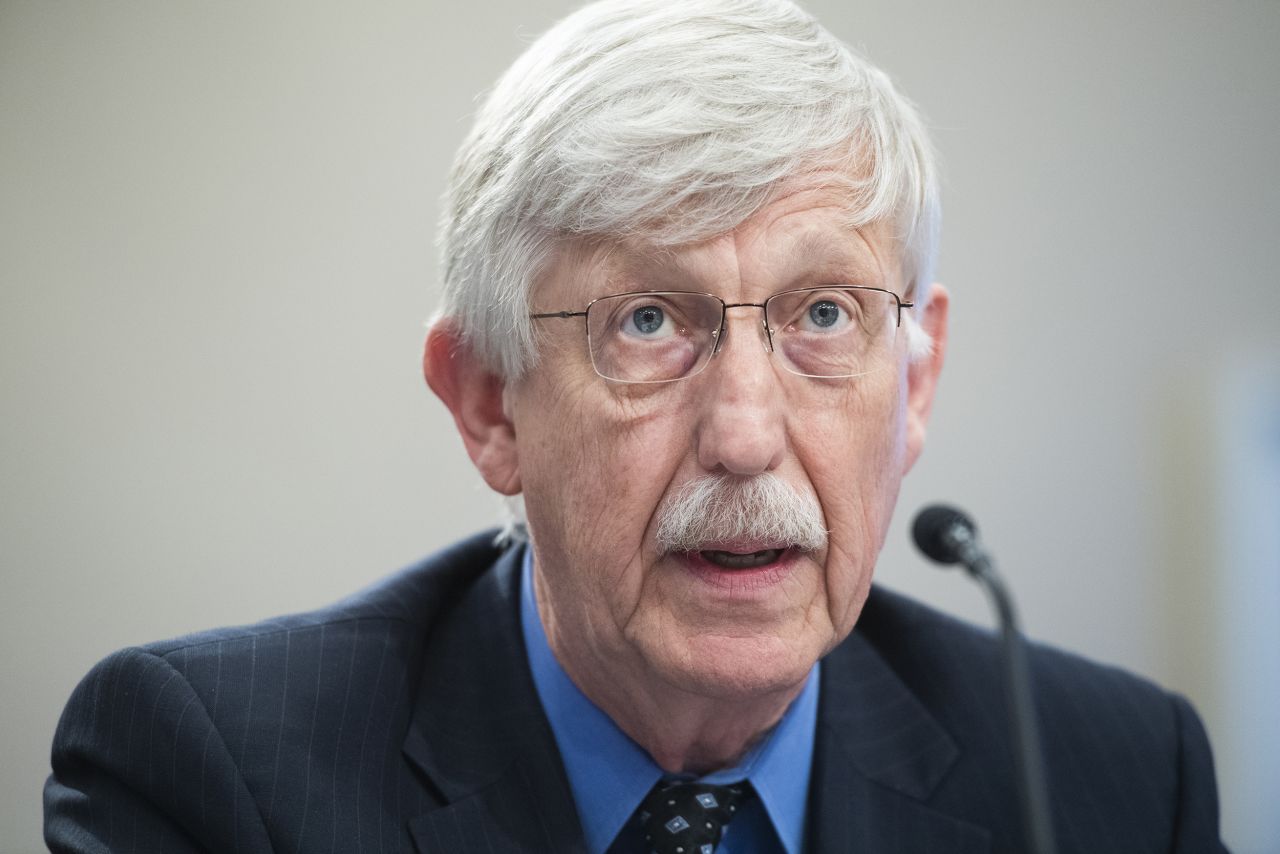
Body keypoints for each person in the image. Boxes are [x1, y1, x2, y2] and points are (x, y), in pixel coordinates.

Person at [44, 1, 1227, 851]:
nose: (747, 434)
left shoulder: (1108, 776)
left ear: (912, 381)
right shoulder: (216, 777)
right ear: (487, 402)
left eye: (823, 312)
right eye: (649, 321)